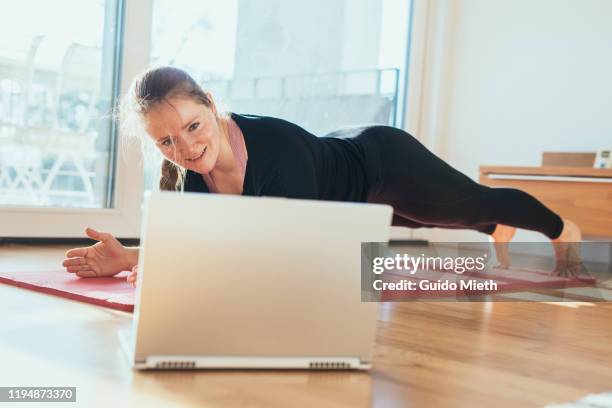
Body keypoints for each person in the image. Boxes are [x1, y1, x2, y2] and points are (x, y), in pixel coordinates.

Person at [62, 66, 582, 285]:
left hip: (381, 166)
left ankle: (563, 230)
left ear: (212, 105)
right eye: (166, 141)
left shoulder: (277, 152)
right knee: (434, 221)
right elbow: (200, 243)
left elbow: (282, 258)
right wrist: (129, 257)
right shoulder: (181, 173)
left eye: (193, 126)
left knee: (467, 205)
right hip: (337, 193)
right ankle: (495, 230)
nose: (186, 147)